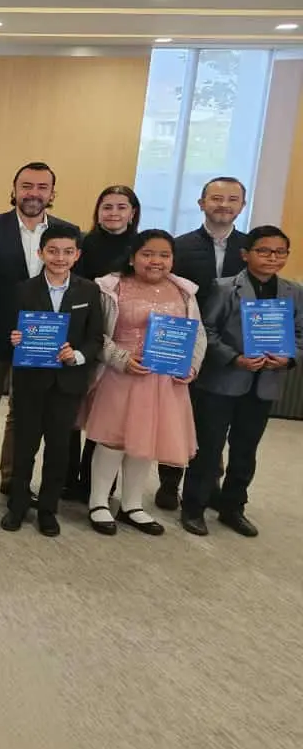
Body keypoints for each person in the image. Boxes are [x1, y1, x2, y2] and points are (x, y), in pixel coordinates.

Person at [182, 225, 301, 538]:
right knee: (208, 448)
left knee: (246, 450)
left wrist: (289, 358)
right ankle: (194, 507)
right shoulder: (223, 287)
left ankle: (233, 507)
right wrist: (234, 358)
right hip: (223, 380)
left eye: (279, 252)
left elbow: (299, 334)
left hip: (265, 384)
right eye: (263, 251)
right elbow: (207, 330)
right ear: (246, 254)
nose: (271, 257)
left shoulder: (293, 292)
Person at [84, 229, 205, 536]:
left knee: (145, 442)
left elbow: (198, 334)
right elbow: (96, 333)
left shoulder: (184, 292)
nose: (156, 261)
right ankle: (98, 502)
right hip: (121, 374)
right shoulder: (112, 287)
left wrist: (191, 366)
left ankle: (132, 504)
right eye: (148, 254)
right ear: (133, 257)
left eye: (164, 255)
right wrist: (120, 358)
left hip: (165, 381)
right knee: (113, 439)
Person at [0, 161, 74, 508]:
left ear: (52, 193)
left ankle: (13, 478)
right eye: (26, 186)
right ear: (14, 189)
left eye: (42, 187)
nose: (33, 193)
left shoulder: (68, 231)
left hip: (42, 343)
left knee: (22, 411)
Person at [0, 224, 105, 538]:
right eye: (53, 250)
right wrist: (15, 339)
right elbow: (9, 333)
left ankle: (48, 509)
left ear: (77, 255)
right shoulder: (23, 289)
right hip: (31, 380)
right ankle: (17, 505)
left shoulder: (88, 290)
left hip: (68, 383)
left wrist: (78, 355)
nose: (60, 257)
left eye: (68, 251)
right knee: (24, 447)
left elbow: (95, 337)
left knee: (59, 449)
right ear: (40, 253)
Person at [158, 176, 249, 511]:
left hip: (230, 349)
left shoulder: (250, 247)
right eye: (215, 198)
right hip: (183, 343)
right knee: (177, 414)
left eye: (232, 199)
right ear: (201, 203)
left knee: (215, 421)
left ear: (242, 205)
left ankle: (209, 482)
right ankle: (169, 482)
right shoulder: (179, 246)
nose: (223, 205)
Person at [67, 185, 142, 500]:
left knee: (107, 414)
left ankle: (96, 484)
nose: (113, 213)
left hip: (121, 340)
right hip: (82, 334)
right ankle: (68, 479)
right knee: (72, 412)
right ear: (97, 210)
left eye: (121, 207)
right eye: (107, 206)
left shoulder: (140, 247)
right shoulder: (80, 244)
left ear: (132, 212)